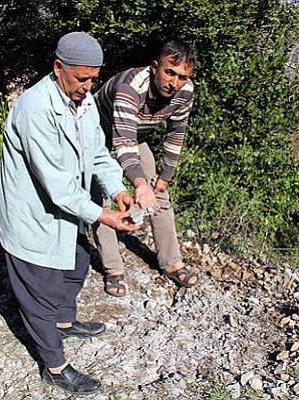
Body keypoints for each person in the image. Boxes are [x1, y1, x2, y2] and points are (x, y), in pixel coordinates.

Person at [0, 31, 139, 395]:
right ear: (58, 68)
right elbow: (57, 184)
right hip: (33, 215)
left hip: (65, 213)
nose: (90, 86)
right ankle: (55, 367)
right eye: (82, 78)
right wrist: (103, 216)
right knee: (39, 295)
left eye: (95, 78)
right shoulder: (34, 108)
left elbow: (96, 154)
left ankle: (65, 322)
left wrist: (118, 189)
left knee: (76, 263)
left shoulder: (85, 102)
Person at [92, 41, 199, 297]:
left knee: (158, 194)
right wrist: (139, 183)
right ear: (155, 68)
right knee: (105, 199)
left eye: (182, 76)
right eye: (169, 72)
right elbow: (122, 144)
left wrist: (165, 176)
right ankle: (113, 269)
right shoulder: (130, 87)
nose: (174, 82)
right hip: (98, 135)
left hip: (134, 137)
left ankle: (171, 261)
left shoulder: (185, 92)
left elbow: (176, 134)